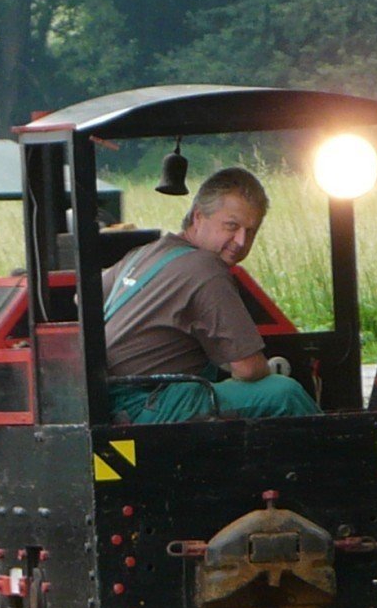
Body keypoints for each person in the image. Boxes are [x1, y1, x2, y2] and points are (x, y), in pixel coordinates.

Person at [102, 167, 319, 424]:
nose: (240, 241)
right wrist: (266, 367)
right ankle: (340, 459)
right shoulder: (205, 267)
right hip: (153, 405)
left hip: (112, 400)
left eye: (250, 231)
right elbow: (248, 368)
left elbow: (80, 300)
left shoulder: (144, 254)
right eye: (231, 226)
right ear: (198, 217)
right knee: (284, 393)